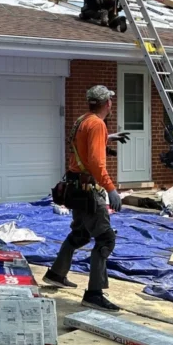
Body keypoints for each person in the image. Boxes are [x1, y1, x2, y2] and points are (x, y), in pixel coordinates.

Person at [44, 84, 121, 311]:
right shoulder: (96, 124)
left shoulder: (83, 121)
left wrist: (109, 137)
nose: (111, 103)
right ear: (107, 103)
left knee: (80, 233)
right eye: (110, 101)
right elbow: (96, 164)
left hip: (76, 188)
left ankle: (56, 274)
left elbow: (84, 148)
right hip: (89, 190)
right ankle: (94, 294)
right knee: (105, 239)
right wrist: (111, 189)